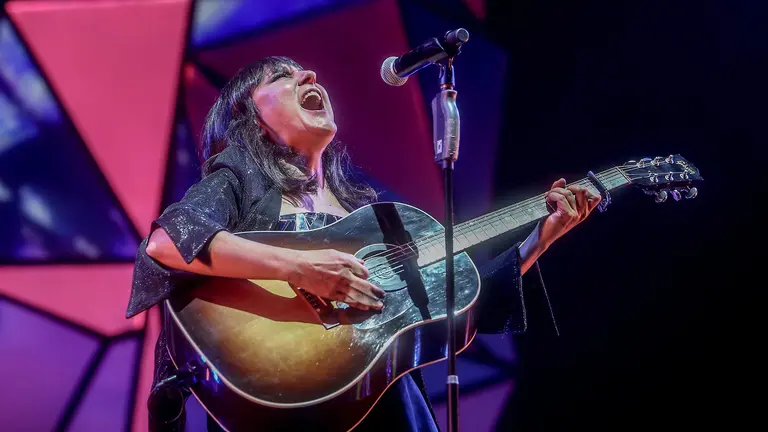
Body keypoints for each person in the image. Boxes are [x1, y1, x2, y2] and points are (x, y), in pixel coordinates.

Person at [125, 56, 602, 432]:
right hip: (280, 397)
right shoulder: (239, 178)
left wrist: (541, 237)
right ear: (252, 117)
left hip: (383, 398)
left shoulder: (372, 218)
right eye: (283, 76)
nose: (308, 74)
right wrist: (297, 268)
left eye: (304, 71)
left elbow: (453, 302)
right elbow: (167, 242)